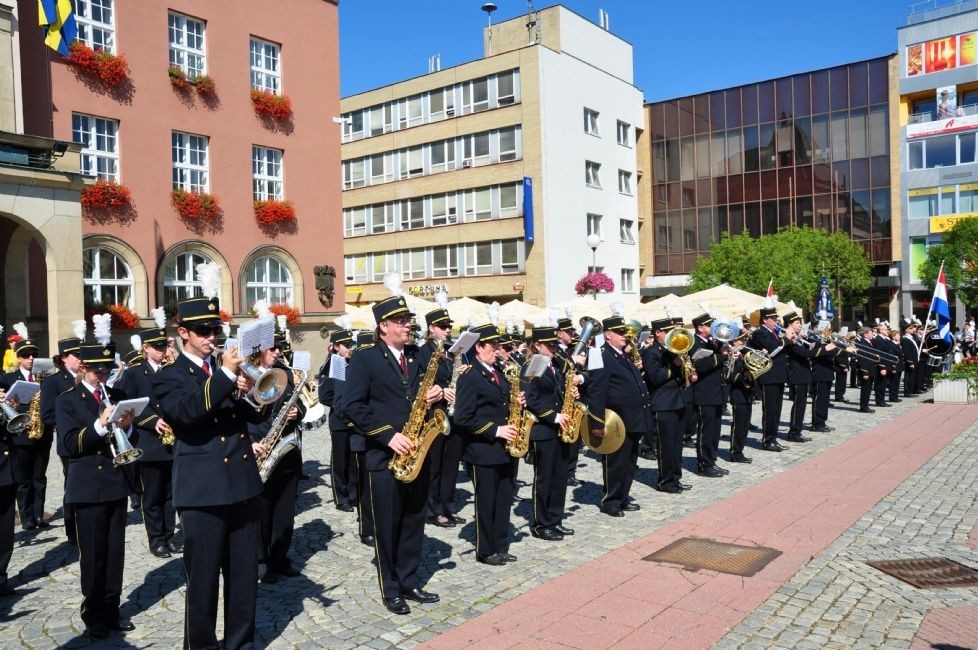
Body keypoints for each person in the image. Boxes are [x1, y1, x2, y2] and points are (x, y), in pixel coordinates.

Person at [153, 296, 268, 649]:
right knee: (202, 581)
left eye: (214, 330)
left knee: (244, 576)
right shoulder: (169, 377)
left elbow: (254, 418)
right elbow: (188, 412)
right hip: (201, 490)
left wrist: (253, 393)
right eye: (203, 331)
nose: (211, 337)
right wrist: (226, 377)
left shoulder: (221, 372)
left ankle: (240, 644)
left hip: (242, 484)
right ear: (183, 333)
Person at [340, 295, 444, 615]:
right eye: (400, 321)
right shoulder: (365, 358)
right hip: (385, 456)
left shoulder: (417, 355)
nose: (407, 325)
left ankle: (410, 580)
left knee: (414, 520)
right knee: (388, 524)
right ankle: (391, 588)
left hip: (418, 451)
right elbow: (351, 405)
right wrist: (388, 436)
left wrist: (437, 395)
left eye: (408, 320)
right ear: (383, 327)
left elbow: (428, 394)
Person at [55, 341, 137, 639]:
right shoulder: (68, 400)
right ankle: (93, 612)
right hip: (87, 485)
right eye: (96, 371)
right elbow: (68, 444)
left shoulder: (118, 395)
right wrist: (100, 425)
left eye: (106, 371)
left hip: (115, 482)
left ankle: (112, 608)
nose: (102, 376)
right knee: (93, 554)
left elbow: (132, 438)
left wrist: (127, 426)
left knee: (115, 552)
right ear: (84, 369)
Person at [454, 324, 519, 565]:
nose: (498, 350)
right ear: (479, 347)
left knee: (503, 499)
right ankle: (485, 549)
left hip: (505, 448)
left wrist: (517, 401)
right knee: (486, 501)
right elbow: (463, 418)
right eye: (493, 346)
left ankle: (500, 545)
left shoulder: (498, 371)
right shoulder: (470, 375)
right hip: (483, 450)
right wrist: (496, 430)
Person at [251, 331, 306, 584]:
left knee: (285, 509)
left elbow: (300, 403)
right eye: (272, 348)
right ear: (259, 350)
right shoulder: (246, 376)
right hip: (260, 448)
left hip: (285, 450)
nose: (277, 352)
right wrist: (250, 442)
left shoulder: (285, 373)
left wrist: (298, 412)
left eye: (279, 347)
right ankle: (260, 560)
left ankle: (280, 557)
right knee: (262, 509)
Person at [122, 327, 179, 559]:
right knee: (153, 494)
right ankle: (157, 540)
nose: (162, 350)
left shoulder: (172, 370)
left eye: (164, 345)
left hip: (173, 440)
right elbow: (128, 405)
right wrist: (152, 420)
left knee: (171, 494)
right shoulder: (134, 374)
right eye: (157, 347)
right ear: (145, 348)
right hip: (149, 441)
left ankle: (169, 536)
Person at [589, 316, 654, 513]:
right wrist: (597, 423)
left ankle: (623, 497)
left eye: (625, 331)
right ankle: (611, 501)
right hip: (617, 420)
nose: (625, 335)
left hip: (632, 418)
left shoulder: (621, 354)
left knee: (629, 461)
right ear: (608, 335)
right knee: (616, 463)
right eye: (620, 332)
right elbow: (596, 391)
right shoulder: (600, 355)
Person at [522, 327, 576, 541]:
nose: (554, 348)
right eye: (550, 345)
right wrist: (553, 416)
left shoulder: (554, 364)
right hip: (544, 429)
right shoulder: (535, 364)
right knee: (545, 478)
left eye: (554, 344)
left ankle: (555, 519)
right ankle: (542, 524)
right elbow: (531, 398)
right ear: (537, 345)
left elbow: (557, 391)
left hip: (560, 428)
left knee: (559, 477)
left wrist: (572, 392)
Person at [0, 337, 49, 530]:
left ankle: (39, 514)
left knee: (40, 477)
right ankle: (26, 516)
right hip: (20, 434)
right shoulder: (8, 379)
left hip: (41, 433)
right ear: (18, 358)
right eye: (26, 355)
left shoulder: (44, 378)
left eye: (33, 355)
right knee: (23, 478)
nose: (31, 358)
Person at [421, 308, 464, 529]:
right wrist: (441, 389)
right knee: (435, 464)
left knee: (451, 464)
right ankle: (432, 509)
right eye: (443, 326)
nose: (448, 330)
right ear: (431, 328)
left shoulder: (452, 352)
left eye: (449, 326)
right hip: (434, 413)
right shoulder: (423, 351)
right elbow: (420, 381)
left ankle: (448, 504)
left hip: (452, 414)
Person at [40, 336, 84, 546]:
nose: (81, 358)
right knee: (73, 485)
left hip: (91, 437)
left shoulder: (87, 377)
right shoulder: (53, 381)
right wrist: (68, 422)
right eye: (76, 355)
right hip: (69, 440)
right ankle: (72, 530)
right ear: (64, 358)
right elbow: (47, 415)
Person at [642, 318, 690, 493]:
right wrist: (675, 366)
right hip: (663, 404)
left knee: (677, 445)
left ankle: (675, 478)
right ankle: (665, 481)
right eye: (668, 331)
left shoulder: (672, 350)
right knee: (666, 446)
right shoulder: (651, 352)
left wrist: (687, 370)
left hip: (678, 401)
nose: (672, 335)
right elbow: (655, 377)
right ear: (658, 333)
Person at [320, 330, 358, 513]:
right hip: (339, 420)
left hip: (355, 420)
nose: (350, 348)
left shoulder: (354, 364)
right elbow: (324, 396)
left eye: (351, 344)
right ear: (336, 347)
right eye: (346, 345)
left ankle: (353, 494)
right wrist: (340, 405)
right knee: (340, 460)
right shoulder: (330, 367)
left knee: (353, 459)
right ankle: (341, 498)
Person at [689, 314, 727, 477]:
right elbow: (701, 366)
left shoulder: (712, 342)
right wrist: (721, 356)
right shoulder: (694, 342)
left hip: (717, 392)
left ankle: (711, 460)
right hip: (704, 393)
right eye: (709, 324)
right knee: (706, 430)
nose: (713, 327)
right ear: (700, 328)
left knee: (715, 431)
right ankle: (704, 464)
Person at [748, 308, 789, 452]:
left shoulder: (774, 333)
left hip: (778, 376)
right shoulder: (760, 333)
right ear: (765, 320)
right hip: (769, 377)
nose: (776, 321)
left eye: (776, 318)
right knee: (770, 411)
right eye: (773, 319)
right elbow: (772, 348)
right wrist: (786, 339)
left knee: (777, 411)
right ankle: (767, 440)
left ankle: (773, 438)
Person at [855, 326, 882, 413]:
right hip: (866, 370)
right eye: (871, 333)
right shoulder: (862, 343)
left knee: (869, 389)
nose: (872, 334)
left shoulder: (869, 342)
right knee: (865, 389)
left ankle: (865, 405)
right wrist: (865, 372)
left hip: (871, 369)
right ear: (865, 334)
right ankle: (863, 407)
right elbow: (861, 359)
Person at [901, 320, 921, 397]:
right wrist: (910, 362)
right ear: (906, 330)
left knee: (912, 377)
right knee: (908, 377)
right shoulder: (905, 339)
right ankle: (907, 392)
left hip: (915, 360)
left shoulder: (911, 337)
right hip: (910, 361)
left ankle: (911, 391)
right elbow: (907, 352)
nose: (913, 329)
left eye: (912, 328)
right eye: (911, 328)